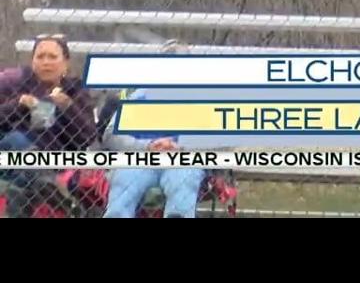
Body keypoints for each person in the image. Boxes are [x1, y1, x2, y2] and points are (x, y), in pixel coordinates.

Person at [0, 34, 96, 217]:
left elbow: (88, 136)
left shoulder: (76, 91)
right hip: (10, 157)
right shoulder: (16, 85)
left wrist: (68, 107)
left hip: (56, 159)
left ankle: (40, 184)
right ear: (32, 60)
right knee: (16, 138)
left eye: (52, 57)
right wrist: (18, 105)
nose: (46, 62)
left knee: (22, 185)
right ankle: (48, 183)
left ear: (66, 62)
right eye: (40, 56)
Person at [101, 87, 207, 218]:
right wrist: (147, 146)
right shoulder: (138, 97)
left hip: (181, 159)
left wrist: (180, 146)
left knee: (183, 181)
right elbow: (111, 135)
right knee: (122, 194)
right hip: (140, 158)